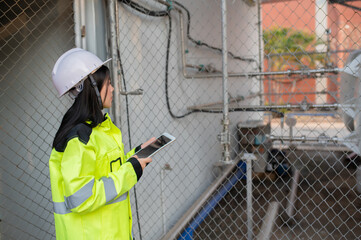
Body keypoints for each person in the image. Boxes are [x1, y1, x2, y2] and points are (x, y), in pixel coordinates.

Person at [49, 48, 154, 239]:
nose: (113, 89)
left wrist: (136, 155)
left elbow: (106, 169)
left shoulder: (96, 129)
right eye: (109, 83)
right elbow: (81, 198)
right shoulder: (79, 138)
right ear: (93, 89)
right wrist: (130, 171)